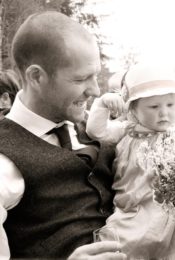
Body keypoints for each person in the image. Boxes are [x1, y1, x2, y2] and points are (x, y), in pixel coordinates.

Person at [0, 11, 126, 259]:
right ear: (37, 77)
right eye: (81, 79)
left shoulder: (98, 127)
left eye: (95, 75)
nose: (95, 89)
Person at [86, 63, 175, 259]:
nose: (164, 113)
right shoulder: (128, 130)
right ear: (134, 109)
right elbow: (96, 131)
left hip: (171, 214)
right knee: (124, 245)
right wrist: (103, 104)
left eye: (170, 105)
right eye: (154, 106)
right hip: (133, 210)